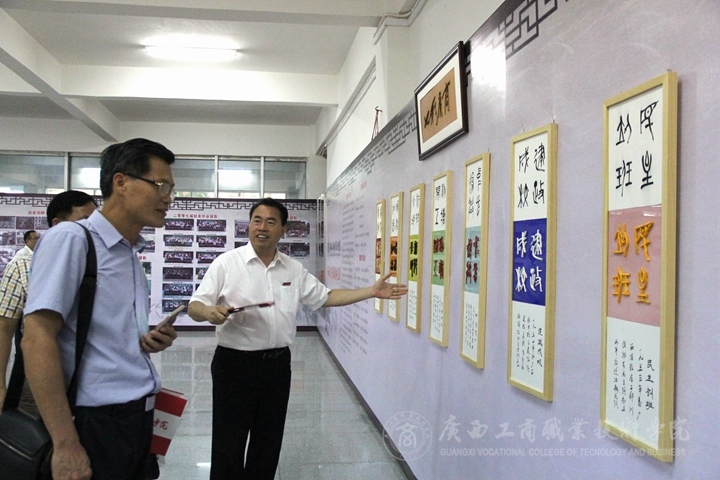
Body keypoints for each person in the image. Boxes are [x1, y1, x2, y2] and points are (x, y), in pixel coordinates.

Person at [188, 197, 408, 480]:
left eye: (271, 222)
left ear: (283, 230)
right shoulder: (226, 264)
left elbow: (326, 297)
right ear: (249, 226)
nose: (262, 227)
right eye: (257, 220)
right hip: (234, 365)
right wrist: (209, 312)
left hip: (277, 366)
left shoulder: (292, 269)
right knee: (228, 443)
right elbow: (195, 306)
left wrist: (371, 291)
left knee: (268, 442)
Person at [22, 138, 179, 480]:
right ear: (121, 182)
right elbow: (36, 339)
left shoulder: (128, 252)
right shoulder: (72, 240)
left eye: (171, 189)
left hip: (137, 419)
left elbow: (102, 331)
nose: (168, 197)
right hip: (95, 422)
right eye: (160, 186)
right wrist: (65, 444)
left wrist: (147, 339)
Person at [0, 190, 98, 413]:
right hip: (41, 376)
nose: (92, 229)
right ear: (57, 224)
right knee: (38, 431)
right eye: (85, 221)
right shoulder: (22, 265)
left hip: (93, 379)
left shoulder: (100, 265)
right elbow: (5, 326)